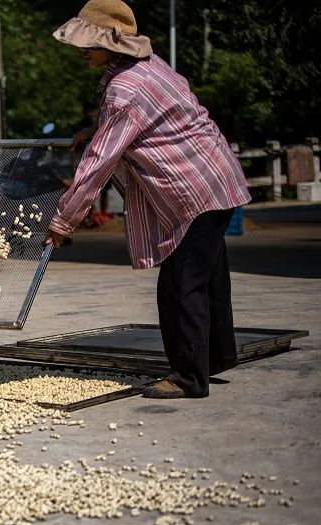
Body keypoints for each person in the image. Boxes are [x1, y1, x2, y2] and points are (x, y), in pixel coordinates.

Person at [46, 0, 251, 399]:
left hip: (194, 190)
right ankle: (216, 358)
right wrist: (96, 127)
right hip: (216, 178)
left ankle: (189, 378)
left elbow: (99, 162)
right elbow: (141, 120)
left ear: (113, 42)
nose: (82, 50)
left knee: (180, 285)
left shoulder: (125, 89)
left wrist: (64, 220)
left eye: (89, 43)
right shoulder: (148, 67)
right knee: (209, 278)